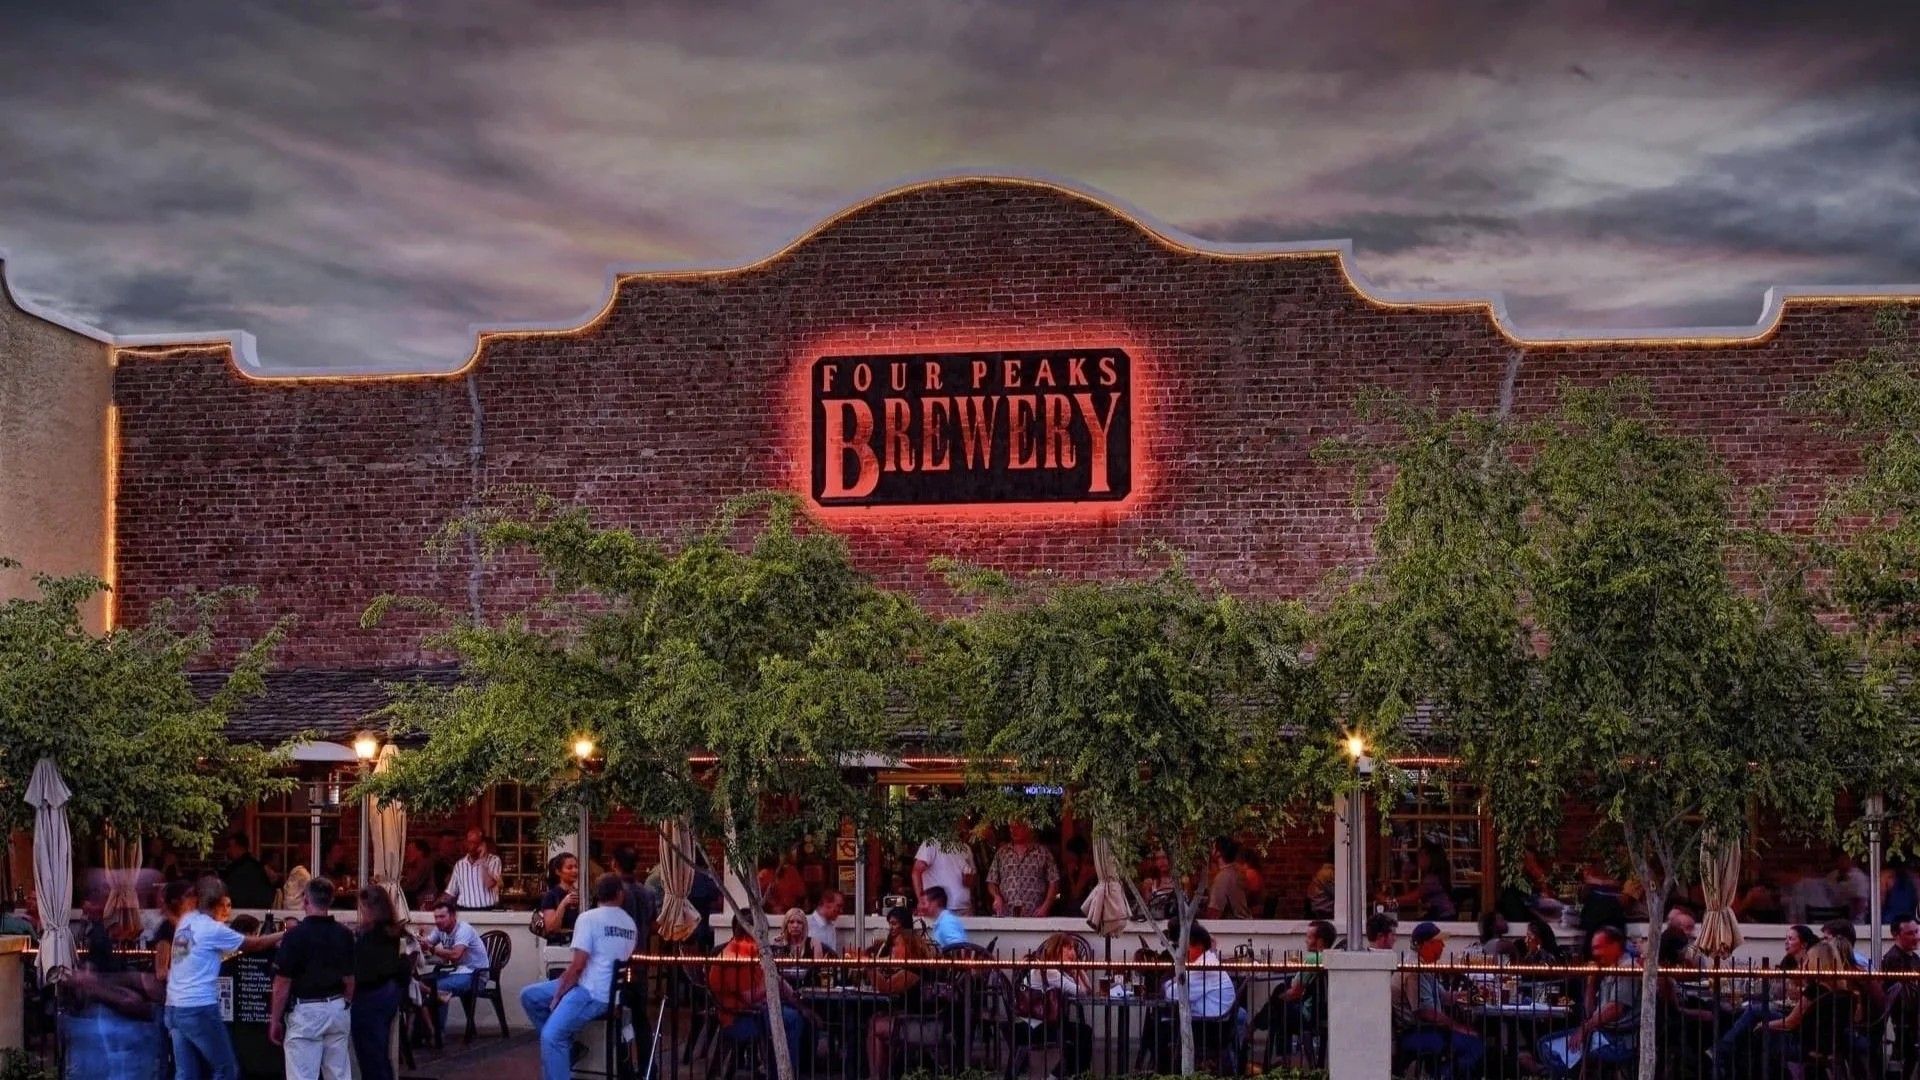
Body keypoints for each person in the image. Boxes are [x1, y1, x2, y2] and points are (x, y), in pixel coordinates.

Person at [521, 875, 639, 1080]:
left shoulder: (588, 918)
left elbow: (577, 966)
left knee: (551, 1037)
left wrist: (559, 994)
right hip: (604, 990)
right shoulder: (630, 923)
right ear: (620, 895)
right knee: (530, 996)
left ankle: (560, 1046)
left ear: (597, 895)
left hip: (591, 992)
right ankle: (570, 1047)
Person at [168, 876, 284, 1080]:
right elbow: (254, 945)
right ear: (218, 902)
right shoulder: (212, 929)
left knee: (186, 1073)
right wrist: (284, 934)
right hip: (199, 1006)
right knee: (226, 1069)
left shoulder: (187, 921)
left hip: (174, 1007)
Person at [269, 877, 356, 1079]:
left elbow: (282, 983)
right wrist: (346, 1003)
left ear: (306, 900)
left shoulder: (295, 936)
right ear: (331, 900)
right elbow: (350, 979)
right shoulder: (344, 934)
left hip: (306, 1010)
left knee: (302, 1074)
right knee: (339, 1073)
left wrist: (275, 1020)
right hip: (337, 1006)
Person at [1527, 925, 1637, 1077]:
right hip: (1600, 1033)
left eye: (1599, 947)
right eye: (1593, 949)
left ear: (1615, 945)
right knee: (1545, 1044)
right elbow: (1589, 1012)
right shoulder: (1608, 969)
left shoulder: (1627, 968)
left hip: (1618, 1039)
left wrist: (1584, 1029)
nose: (1594, 954)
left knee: (1548, 1047)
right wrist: (1591, 982)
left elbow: (1615, 1009)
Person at [710, 916, 811, 1072]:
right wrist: (772, 982)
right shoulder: (737, 956)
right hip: (738, 1019)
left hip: (755, 1010)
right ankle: (783, 1072)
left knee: (800, 1013)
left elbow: (766, 982)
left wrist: (777, 984)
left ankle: (782, 1068)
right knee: (793, 1019)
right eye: (762, 933)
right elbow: (750, 996)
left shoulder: (745, 950)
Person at [1149, 923, 1249, 1074]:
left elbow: (1173, 994)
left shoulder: (1203, 967)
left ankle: (1164, 1072)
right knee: (1159, 1022)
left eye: (1186, 946)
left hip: (1210, 1028)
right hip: (1213, 1023)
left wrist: (1169, 982)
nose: (1182, 951)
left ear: (1199, 947)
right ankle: (1164, 1070)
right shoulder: (1205, 963)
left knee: (1159, 1027)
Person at [1390, 923, 1483, 1079]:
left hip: (1426, 1029)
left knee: (1472, 1038)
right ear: (1424, 944)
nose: (1443, 946)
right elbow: (1425, 1012)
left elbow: (1443, 996)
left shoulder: (1424, 965)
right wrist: (1457, 1026)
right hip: (1416, 1032)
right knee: (1473, 1044)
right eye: (1438, 942)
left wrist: (1470, 995)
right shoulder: (1414, 971)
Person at [865, 906, 934, 1080]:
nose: (893, 953)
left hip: (919, 1020)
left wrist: (870, 967)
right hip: (902, 1014)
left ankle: (877, 1076)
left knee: (876, 1027)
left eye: (897, 947)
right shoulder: (899, 958)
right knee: (873, 1020)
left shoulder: (914, 965)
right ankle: (883, 1074)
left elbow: (888, 987)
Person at [349, 886, 409, 1080]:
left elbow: (361, 969)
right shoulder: (395, 932)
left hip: (369, 996)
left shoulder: (371, 936)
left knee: (370, 1055)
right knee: (380, 1053)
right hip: (388, 993)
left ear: (370, 908)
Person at [1015, 932, 1095, 1076]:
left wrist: (1077, 968)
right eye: (1068, 948)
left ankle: (1065, 1075)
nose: (1073, 953)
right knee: (1082, 1034)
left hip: (1041, 1023)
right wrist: (1077, 971)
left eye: (1074, 949)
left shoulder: (1055, 970)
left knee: (1082, 1033)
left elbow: (1088, 989)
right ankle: (1072, 1075)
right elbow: (1081, 992)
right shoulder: (1051, 972)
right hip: (1034, 1027)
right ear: (1057, 949)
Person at [1256, 919, 1333, 1055]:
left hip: (1307, 1013)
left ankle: (1256, 1030)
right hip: (1321, 1010)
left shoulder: (1312, 959)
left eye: (1309, 937)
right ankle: (1256, 1026)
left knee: (1277, 1010)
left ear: (1320, 941)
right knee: (1279, 992)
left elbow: (1296, 992)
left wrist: (1278, 999)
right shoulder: (1331, 957)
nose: (1306, 941)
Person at [418, 898, 490, 1039]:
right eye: (436, 917)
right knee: (420, 983)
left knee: (438, 987)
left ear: (453, 916)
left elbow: (456, 955)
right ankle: (423, 1032)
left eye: (442, 917)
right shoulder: (441, 930)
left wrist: (432, 949)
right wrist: (419, 940)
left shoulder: (464, 929)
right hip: (458, 972)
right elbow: (427, 943)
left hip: (475, 975)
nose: (438, 920)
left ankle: (438, 1034)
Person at [987, 822, 1060, 917]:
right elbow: (991, 881)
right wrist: (996, 897)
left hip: (1035, 916)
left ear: (1027, 828)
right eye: (1011, 827)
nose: (1013, 830)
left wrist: (1045, 907)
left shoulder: (1043, 853)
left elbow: (1054, 882)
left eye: (1017, 827)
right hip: (1007, 915)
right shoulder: (1002, 853)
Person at [1383, 843, 1457, 921]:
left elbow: (1410, 899)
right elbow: (1411, 900)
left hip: (1444, 917)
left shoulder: (1431, 879)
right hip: (1440, 914)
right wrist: (1406, 880)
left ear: (1431, 858)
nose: (1418, 858)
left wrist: (1386, 900)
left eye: (1422, 855)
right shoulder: (1432, 876)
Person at [912, 830, 977, 916]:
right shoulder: (931, 843)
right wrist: (921, 901)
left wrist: (968, 879)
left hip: (965, 909)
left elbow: (971, 882)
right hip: (939, 909)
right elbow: (916, 872)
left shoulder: (965, 848)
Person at [444, 829, 502, 911]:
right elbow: (451, 892)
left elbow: (490, 884)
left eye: (474, 843)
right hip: (464, 910)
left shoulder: (494, 860)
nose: (470, 846)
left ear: (482, 844)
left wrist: (483, 860)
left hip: (487, 910)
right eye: (468, 842)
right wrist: (437, 905)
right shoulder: (460, 864)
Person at [219, 833, 278, 910]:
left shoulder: (234, 870)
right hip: (259, 914)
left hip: (238, 913)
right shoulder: (259, 867)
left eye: (230, 847)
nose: (228, 850)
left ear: (238, 847)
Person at [538, 853, 582, 944]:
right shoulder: (551, 895)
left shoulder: (582, 893)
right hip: (559, 946)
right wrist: (563, 904)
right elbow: (551, 929)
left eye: (576, 867)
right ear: (558, 871)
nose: (574, 871)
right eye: (569, 868)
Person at [1203, 837, 1251, 919]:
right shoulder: (1236, 872)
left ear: (1219, 853)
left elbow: (1213, 914)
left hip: (1232, 927)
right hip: (1244, 924)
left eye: (1213, 847)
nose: (1210, 850)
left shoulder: (1223, 877)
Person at [1826, 851, 1872, 923]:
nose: (1842, 861)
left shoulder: (1859, 877)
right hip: (1831, 919)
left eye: (1845, 858)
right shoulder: (1831, 876)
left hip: (1855, 922)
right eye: (1839, 858)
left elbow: (1860, 904)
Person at [399, 840, 437, 908]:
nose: (407, 854)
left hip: (423, 902)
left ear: (420, 852)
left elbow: (413, 884)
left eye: (410, 851)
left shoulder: (423, 863)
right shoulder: (414, 865)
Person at [806, 891, 845, 956]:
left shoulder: (831, 926)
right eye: (838, 906)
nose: (841, 911)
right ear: (827, 903)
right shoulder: (806, 924)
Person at [1306, 852, 1336, 918]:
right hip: (1323, 913)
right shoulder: (1328, 873)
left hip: (1321, 911)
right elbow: (1337, 895)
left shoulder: (1324, 872)